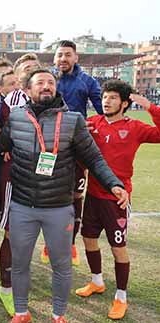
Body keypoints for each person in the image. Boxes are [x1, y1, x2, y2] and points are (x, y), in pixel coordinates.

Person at [0, 68, 129, 323]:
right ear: (26, 90)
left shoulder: (73, 120)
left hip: (58, 208)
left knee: (61, 265)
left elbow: (94, 158)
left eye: (51, 82)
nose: (47, 86)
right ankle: (21, 312)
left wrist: (114, 183)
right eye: (40, 82)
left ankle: (58, 315)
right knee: (20, 263)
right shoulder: (16, 118)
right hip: (23, 206)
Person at [75, 80, 160, 320]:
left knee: (118, 248)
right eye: (104, 97)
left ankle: (121, 296)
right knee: (89, 239)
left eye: (112, 97)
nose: (106, 101)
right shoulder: (92, 123)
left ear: (124, 103)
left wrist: (149, 107)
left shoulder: (135, 127)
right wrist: (82, 134)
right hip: (92, 195)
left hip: (117, 199)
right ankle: (97, 281)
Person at [44, 40, 104, 266]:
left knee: (76, 197)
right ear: (54, 58)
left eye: (68, 55)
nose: (63, 59)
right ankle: (50, 244)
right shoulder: (47, 80)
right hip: (50, 146)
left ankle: (69, 244)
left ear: (76, 57)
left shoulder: (87, 82)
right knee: (49, 195)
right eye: (60, 55)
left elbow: (102, 111)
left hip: (76, 148)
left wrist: (89, 124)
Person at [0, 53, 42, 317]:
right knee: (13, 231)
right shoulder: (12, 99)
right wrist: (9, 146)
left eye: (36, 67)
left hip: (40, 175)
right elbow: (1, 133)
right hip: (15, 172)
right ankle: (6, 286)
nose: (32, 71)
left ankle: (17, 276)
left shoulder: (51, 100)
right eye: (27, 67)